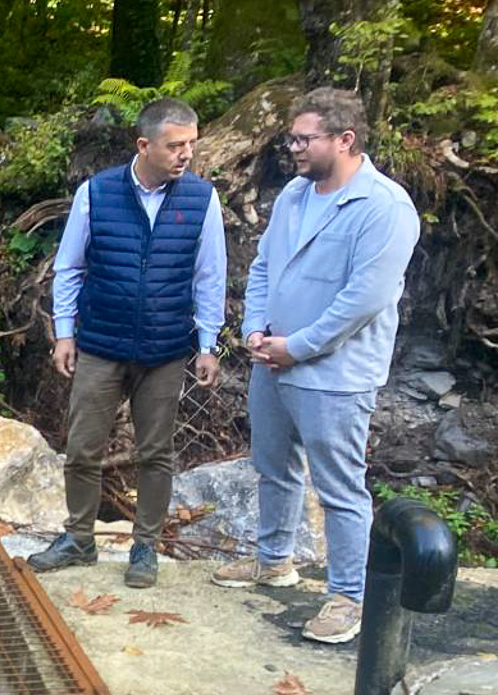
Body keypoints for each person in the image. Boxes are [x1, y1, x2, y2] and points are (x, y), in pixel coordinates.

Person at [217, 86, 422, 643]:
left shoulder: (385, 208)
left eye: (305, 139)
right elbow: (263, 267)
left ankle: (347, 597)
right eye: (292, 137)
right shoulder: (293, 196)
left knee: (340, 487)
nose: (293, 148)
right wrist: (255, 329)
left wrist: (297, 346)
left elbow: (364, 300)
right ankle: (273, 560)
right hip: (272, 361)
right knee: (273, 466)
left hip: (334, 376)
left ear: (345, 140)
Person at [28, 99, 227, 590]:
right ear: (144, 145)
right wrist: (65, 333)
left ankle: (146, 546)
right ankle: (78, 537)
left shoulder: (202, 199)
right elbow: (70, 267)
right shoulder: (96, 194)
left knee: (156, 452)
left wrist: (208, 343)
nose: (186, 155)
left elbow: (210, 277)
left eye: (191, 145)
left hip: (164, 349)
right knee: (81, 448)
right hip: (100, 342)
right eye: (175, 145)